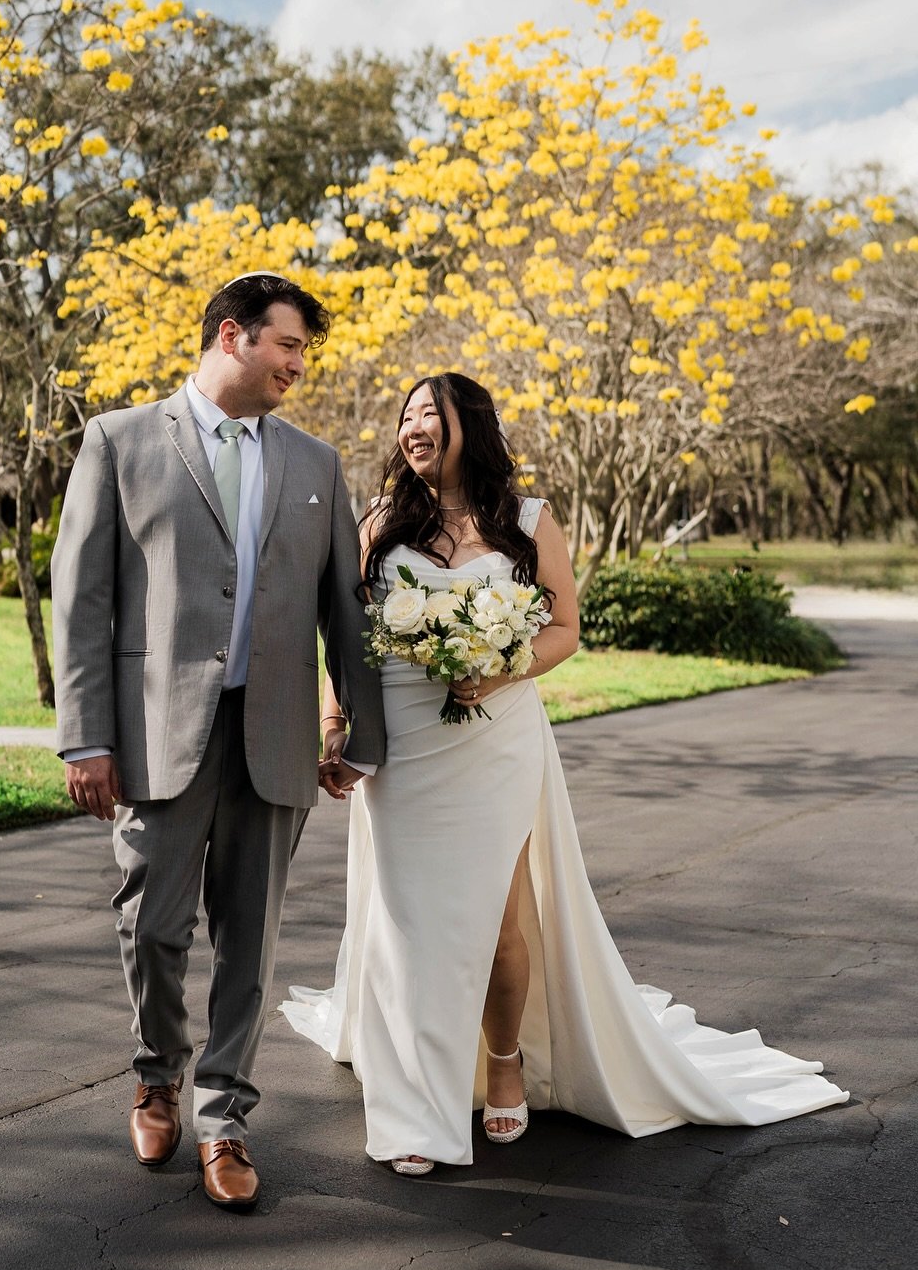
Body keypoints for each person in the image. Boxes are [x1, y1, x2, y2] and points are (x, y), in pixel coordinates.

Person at [283, 371, 848, 1173]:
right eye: (406, 416)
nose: (413, 429)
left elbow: (565, 627)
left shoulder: (527, 520)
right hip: (403, 748)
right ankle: (413, 1109)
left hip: (495, 742)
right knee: (408, 929)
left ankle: (505, 1060)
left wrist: (500, 669)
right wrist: (336, 725)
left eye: (430, 415)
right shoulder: (379, 522)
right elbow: (348, 638)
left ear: (470, 426)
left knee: (501, 924)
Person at [52, 274, 385, 1211]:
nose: (299, 365)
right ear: (232, 336)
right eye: (289, 345)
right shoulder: (118, 441)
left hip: (273, 738)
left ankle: (225, 1118)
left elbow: (344, 611)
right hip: (158, 737)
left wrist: (358, 729)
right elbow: (82, 601)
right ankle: (156, 1073)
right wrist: (85, 737)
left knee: (251, 943)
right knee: (152, 927)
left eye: (304, 351)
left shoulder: (315, 463)